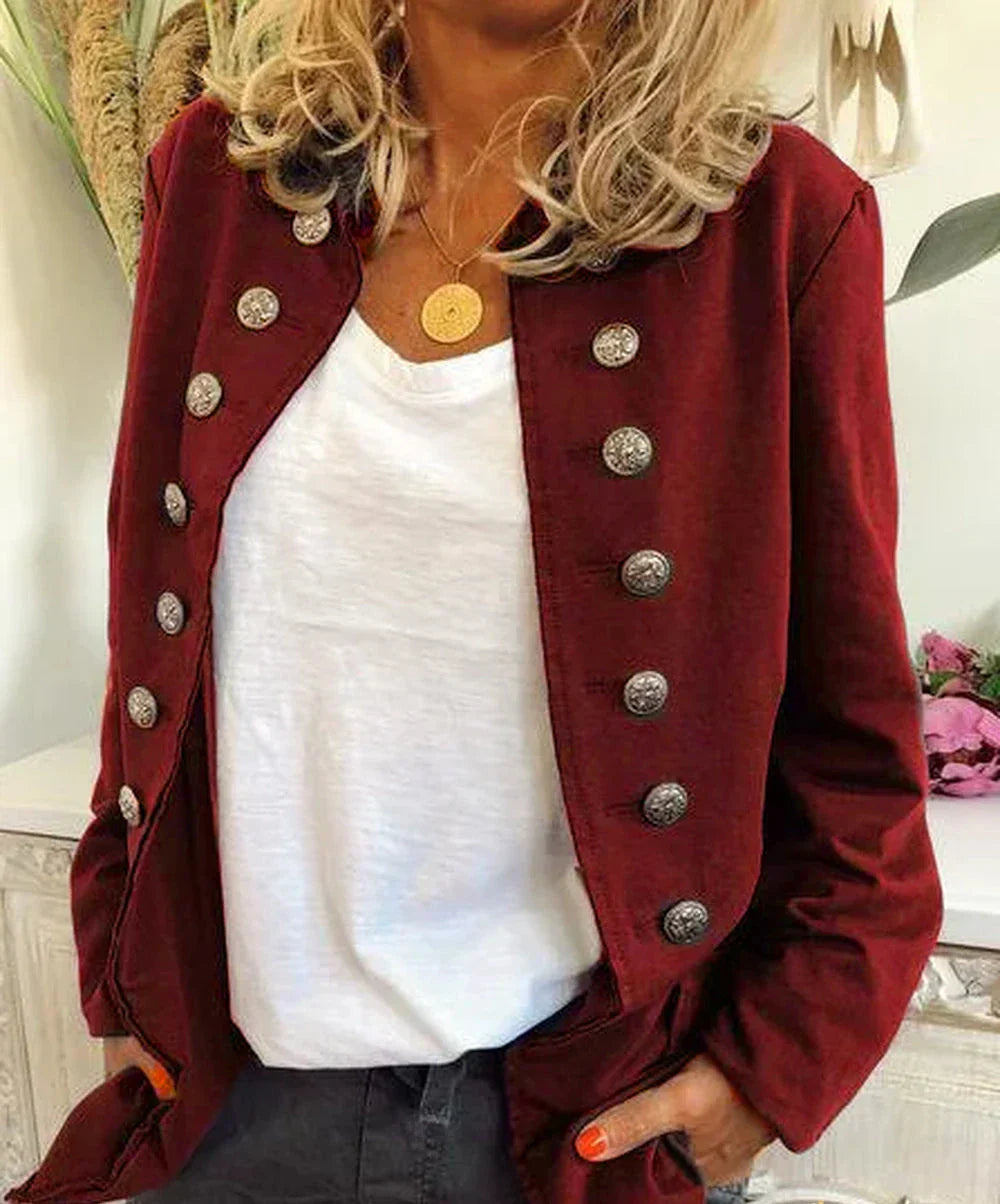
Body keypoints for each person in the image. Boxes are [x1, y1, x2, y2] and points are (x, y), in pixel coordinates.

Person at [5, 3, 943, 1204]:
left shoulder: (776, 221)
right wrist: (118, 966)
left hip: (576, 1118)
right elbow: (152, 622)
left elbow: (851, 730)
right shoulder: (217, 177)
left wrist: (771, 1069)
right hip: (226, 1101)